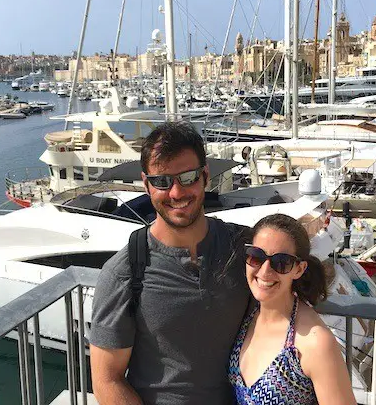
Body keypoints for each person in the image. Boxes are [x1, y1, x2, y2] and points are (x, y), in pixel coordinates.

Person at [90, 121, 250, 405]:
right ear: (146, 184)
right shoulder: (124, 273)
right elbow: (107, 379)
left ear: (205, 176)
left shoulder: (243, 247)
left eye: (187, 177)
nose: (176, 193)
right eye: (162, 181)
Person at [228, 214, 356, 405]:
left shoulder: (314, 342)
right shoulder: (247, 315)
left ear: (299, 269)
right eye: (256, 256)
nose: (264, 271)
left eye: (281, 262)